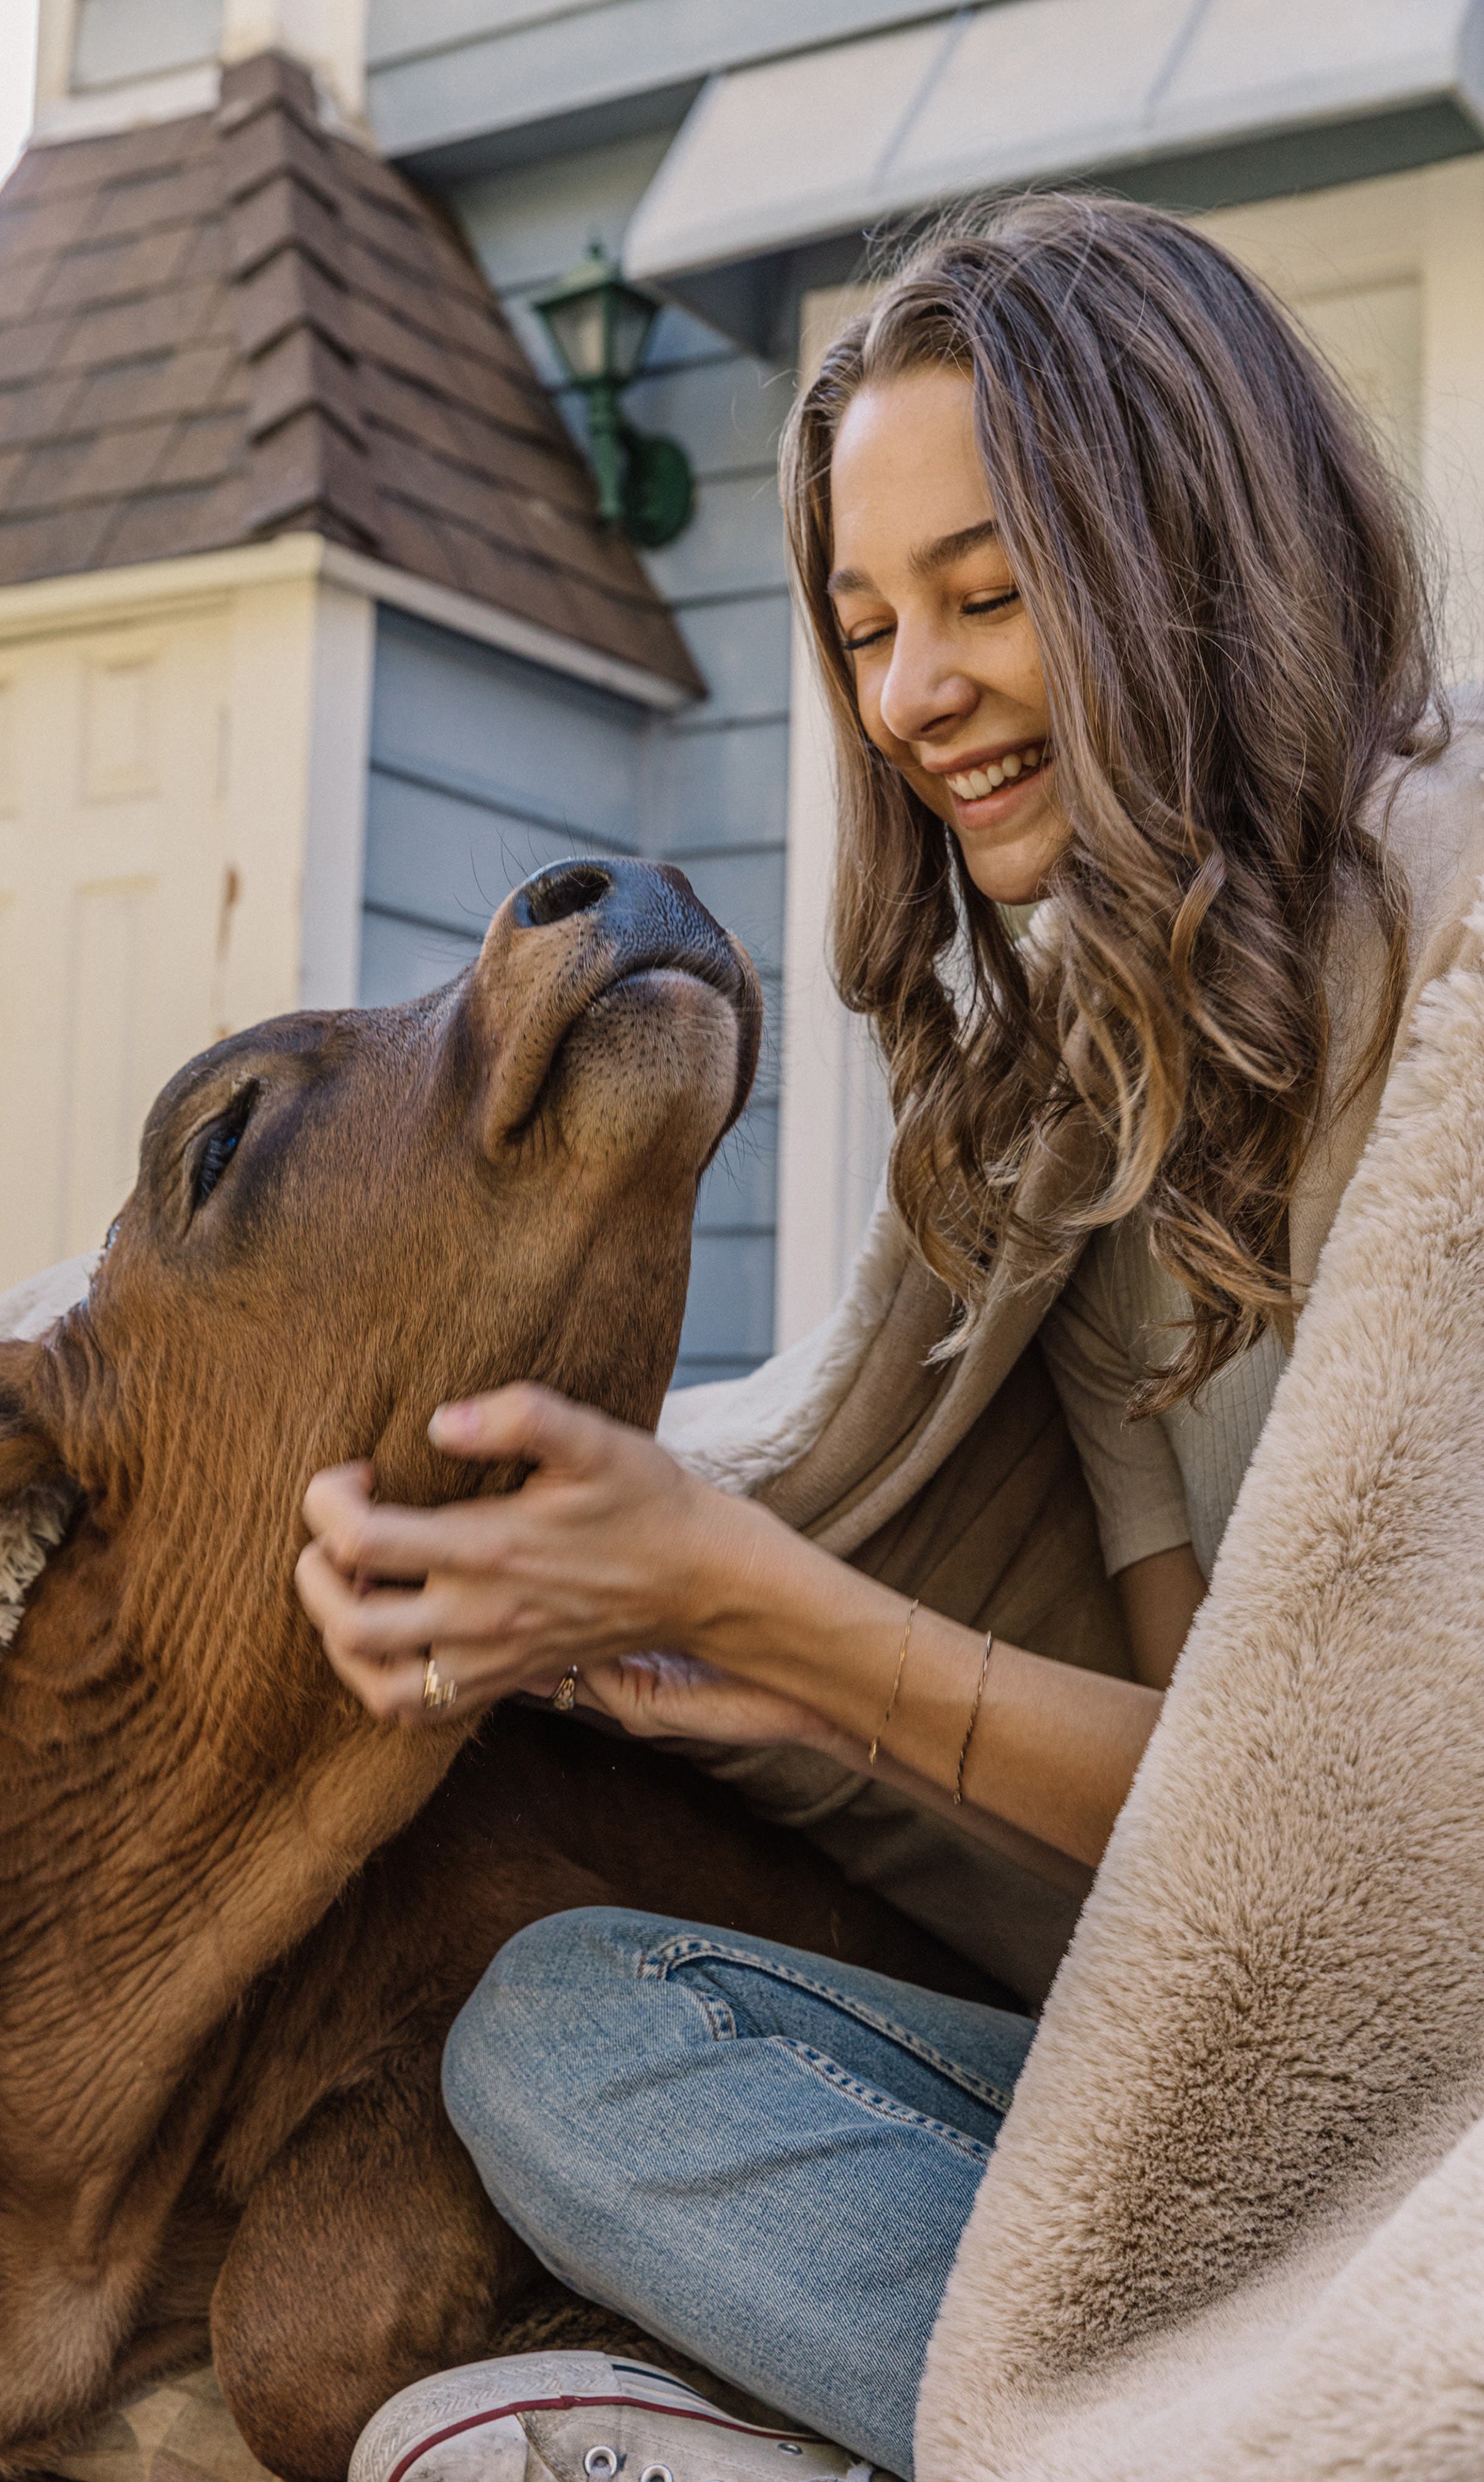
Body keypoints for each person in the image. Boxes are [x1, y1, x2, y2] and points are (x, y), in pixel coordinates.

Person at [296, 193, 1464, 2482]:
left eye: (987, 596)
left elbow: (1399, 1856)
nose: (909, 693)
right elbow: (1209, 1862)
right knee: (562, 2031)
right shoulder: (1090, 1158)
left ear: (1187, 560)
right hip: (1266, 2145)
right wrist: (748, 1665)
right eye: (861, 626)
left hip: (1457, 2142)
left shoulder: (1456, 984)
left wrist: (772, 1609)